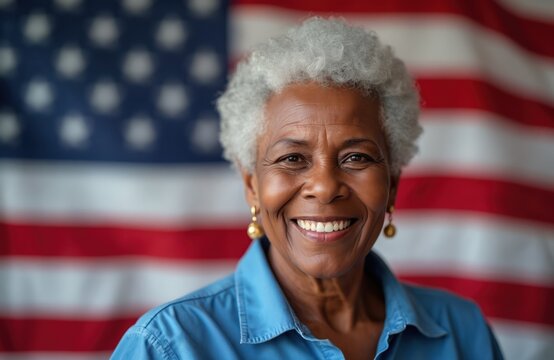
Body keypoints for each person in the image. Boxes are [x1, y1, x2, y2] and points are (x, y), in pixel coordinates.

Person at [111, 17, 503, 359]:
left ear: (393, 185)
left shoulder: (461, 333)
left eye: (356, 158)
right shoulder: (170, 346)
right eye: (292, 159)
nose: (325, 186)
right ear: (252, 186)